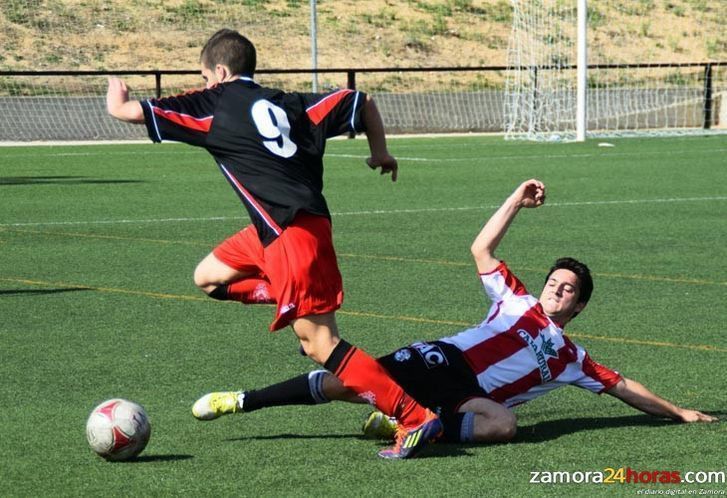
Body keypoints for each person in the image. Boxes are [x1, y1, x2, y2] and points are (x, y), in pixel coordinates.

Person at [106, 28, 441, 459]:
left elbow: (132, 112)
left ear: (221, 72)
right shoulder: (292, 103)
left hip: (290, 235)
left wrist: (116, 101)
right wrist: (380, 152)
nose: (204, 85)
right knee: (208, 277)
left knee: (318, 344)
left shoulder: (215, 102)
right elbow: (363, 101)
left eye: (206, 77)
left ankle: (414, 417)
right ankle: (283, 293)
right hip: (280, 231)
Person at [195, 179, 717, 444]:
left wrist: (680, 413)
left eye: (567, 290)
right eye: (554, 282)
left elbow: (626, 389)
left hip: (470, 399)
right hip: (442, 360)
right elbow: (481, 250)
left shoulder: (574, 359)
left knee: (504, 425)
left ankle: (409, 423)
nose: (557, 290)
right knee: (341, 383)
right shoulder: (515, 299)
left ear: (578, 305)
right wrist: (515, 199)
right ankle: (241, 400)